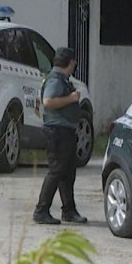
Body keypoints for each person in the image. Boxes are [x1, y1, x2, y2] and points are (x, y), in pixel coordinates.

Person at [34, 47, 87, 225]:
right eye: (73, 62)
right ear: (70, 62)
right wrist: (71, 99)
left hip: (65, 132)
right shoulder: (55, 80)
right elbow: (48, 102)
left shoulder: (60, 79)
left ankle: (69, 210)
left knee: (67, 173)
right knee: (56, 171)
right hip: (57, 132)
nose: (75, 66)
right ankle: (41, 210)